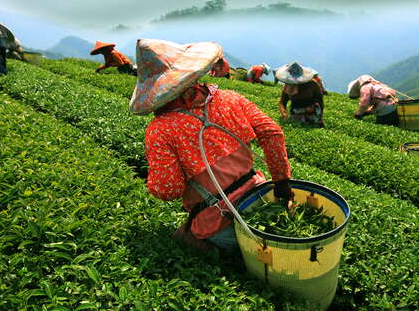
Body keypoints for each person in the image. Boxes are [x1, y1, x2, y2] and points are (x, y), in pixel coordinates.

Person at [130, 39, 293, 254]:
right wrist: (282, 184)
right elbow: (272, 133)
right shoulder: (231, 99)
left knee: (185, 236)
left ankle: (215, 253)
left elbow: (168, 190)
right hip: (260, 197)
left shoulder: (160, 129)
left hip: (221, 221)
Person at [276, 62, 325, 128]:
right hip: (296, 112)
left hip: (312, 111)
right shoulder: (288, 86)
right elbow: (282, 102)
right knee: (297, 123)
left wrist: (320, 117)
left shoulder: (312, 84)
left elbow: (320, 101)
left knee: (313, 122)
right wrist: (285, 115)